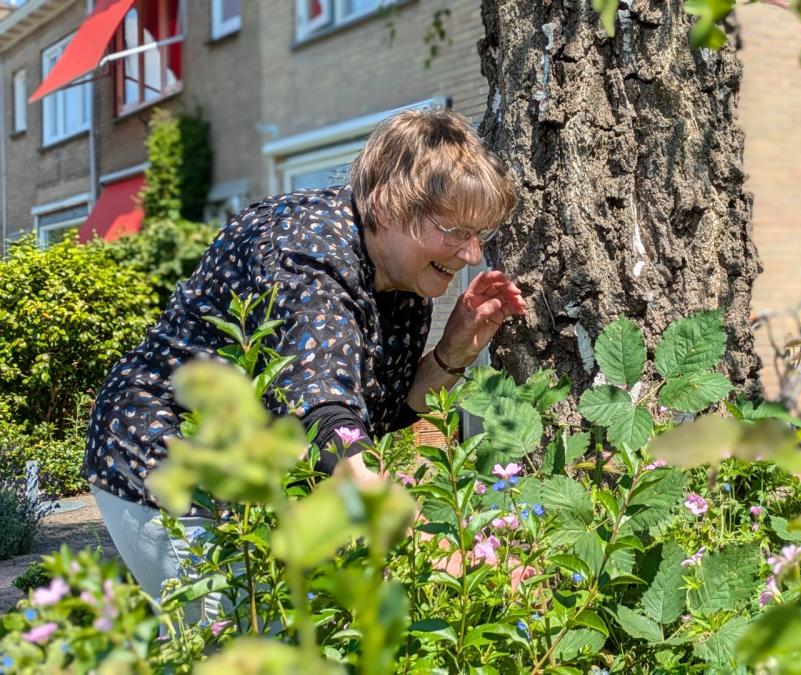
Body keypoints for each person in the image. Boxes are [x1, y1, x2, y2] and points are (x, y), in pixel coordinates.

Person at [82, 109, 526, 617]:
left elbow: (381, 414)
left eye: (479, 235)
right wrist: (446, 556)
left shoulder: (404, 283)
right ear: (390, 202)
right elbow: (322, 418)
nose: (471, 254)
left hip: (256, 475)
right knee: (233, 639)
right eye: (454, 231)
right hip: (164, 459)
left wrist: (453, 353)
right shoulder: (304, 247)